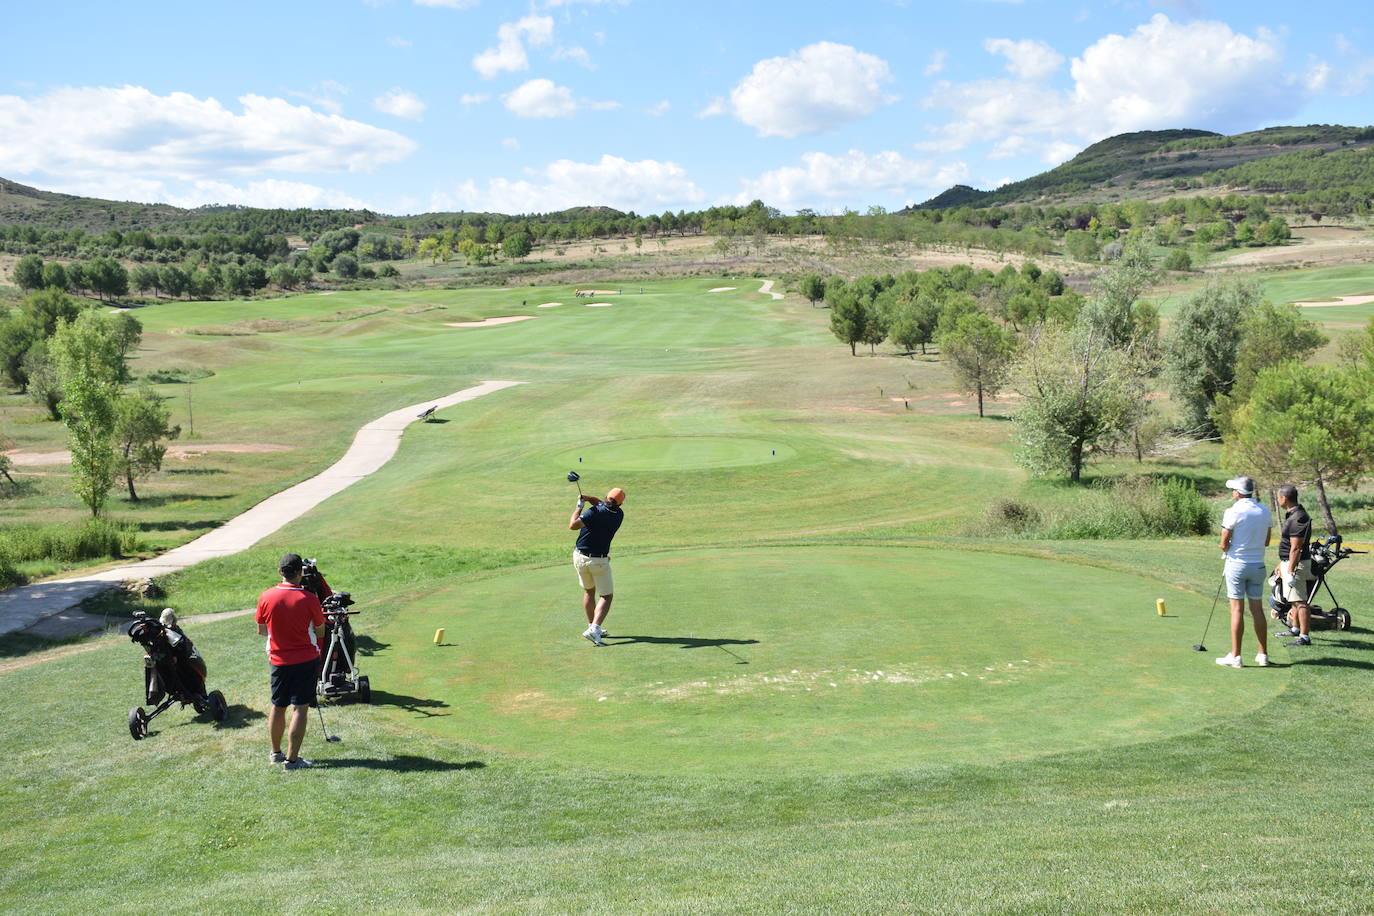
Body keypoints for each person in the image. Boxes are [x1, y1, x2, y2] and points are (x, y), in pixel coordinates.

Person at [255, 552, 326, 770]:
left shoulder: (266, 597)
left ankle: (276, 753)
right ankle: (292, 760)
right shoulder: (310, 599)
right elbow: (321, 630)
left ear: (280, 572)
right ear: (300, 573)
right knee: (300, 708)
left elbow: (261, 630)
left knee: (278, 706)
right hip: (305, 659)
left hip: (278, 660)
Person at [1216, 475, 1272, 668]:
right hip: (1258, 566)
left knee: (1237, 609)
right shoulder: (1264, 511)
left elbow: (1223, 543)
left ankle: (1236, 656)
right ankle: (1263, 654)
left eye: (1233, 490)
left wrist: (1228, 546)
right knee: (1257, 609)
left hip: (1237, 566)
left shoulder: (1232, 511)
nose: (1232, 493)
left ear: (1238, 493)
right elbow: (1266, 541)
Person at [569, 487, 625, 646]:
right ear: (619, 504)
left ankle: (593, 627)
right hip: (599, 561)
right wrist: (588, 498)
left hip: (580, 557)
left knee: (589, 591)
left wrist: (579, 506)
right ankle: (594, 628)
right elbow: (601, 504)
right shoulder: (619, 515)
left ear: (606, 497)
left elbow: (573, 525)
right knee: (606, 596)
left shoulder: (594, 512)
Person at [1274, 484, 1315, 647]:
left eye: (1278, 497)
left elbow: (1296, 547)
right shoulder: (1293, 514)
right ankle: (1295, 628)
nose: (1278, 500)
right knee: (1293, 599)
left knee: (1300, 601)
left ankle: (1304, 637)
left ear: (1284, 498)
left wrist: (1290, 569)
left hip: (1297, 565)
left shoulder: (1298, 517)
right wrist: (1282, 562)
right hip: (1289, 562)